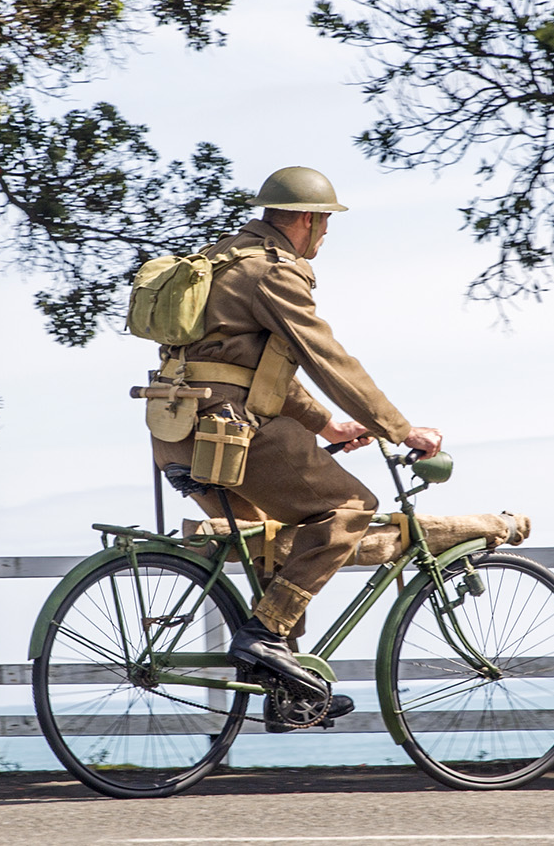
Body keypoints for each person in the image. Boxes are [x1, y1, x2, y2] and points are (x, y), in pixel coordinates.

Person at [149, 165, 443, 729]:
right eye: (327, 224)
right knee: (350, 507)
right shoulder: (274, 272)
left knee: (273, 540)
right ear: (307, 220)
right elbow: (326, 357)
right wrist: (399, 427)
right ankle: (262, 640)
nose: (327, 236)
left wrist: (327, 426)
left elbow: (255, 368)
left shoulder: (221, 259)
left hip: (177, 433)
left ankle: (290, 688)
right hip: (230, 431)